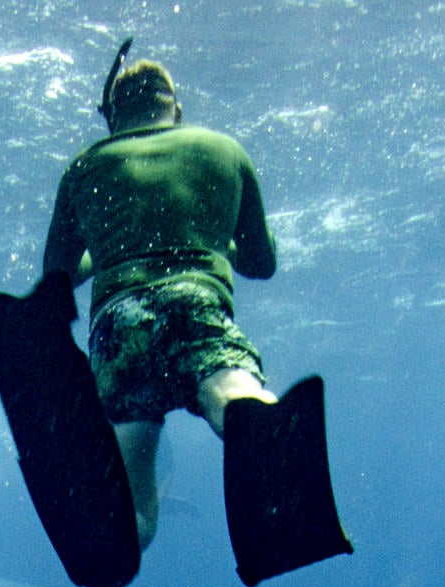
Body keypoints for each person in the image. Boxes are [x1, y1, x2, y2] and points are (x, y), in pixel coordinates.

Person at [41, 49, 279, 552]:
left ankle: (123, 532)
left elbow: (55, 277)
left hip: (119, 322)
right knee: (226, 385)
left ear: (112, 116)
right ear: (175, 107)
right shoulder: (223, 149)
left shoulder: (85, 166)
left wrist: (106, 260)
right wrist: (211, 241)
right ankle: (249, 411)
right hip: (196, 301)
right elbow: (262, 262)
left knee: (135, 493)